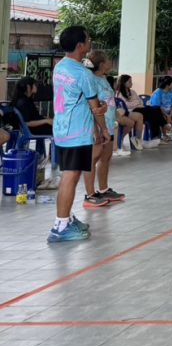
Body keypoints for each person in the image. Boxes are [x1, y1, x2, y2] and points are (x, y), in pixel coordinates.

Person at [48, 26, 106, 243]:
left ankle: (67, 218)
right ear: (81, 45)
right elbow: (96, 108)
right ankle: (61, 225)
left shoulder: (60, 66)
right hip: (77, 132)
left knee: (70, 175)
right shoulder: (83, 73)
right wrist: (104, 129)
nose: (90, 42)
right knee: (70, 177)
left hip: (62, 129)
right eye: (88, 39)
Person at [83, 52, 124, 206]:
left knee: (106, 157)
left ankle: (103, 189)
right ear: (101, 64)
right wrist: (97, 130)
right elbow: (92, 106)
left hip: (109, 124)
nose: (110, 62)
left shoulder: (104, 78)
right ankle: (90, 195)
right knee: (93, 159)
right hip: (98, 125)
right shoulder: (91, 80)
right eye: (108, 60)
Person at [119, 76, 162, 146]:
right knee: (153, 112)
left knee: (156, 109)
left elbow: (140, 101)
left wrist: (134, 103)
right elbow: (125, 105)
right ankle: (158, 133)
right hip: (131, 111)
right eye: (129, 81)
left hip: (140, 109)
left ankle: (154, 137)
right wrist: (136, 103)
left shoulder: (132, 92)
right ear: (123, 83)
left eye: (131, 81)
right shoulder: (119, 93)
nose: (131, 83)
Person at [147, 76, 172, 141]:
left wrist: (170, 115)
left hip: (167, 111)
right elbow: (157, 107)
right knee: (161, 116)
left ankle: (169, 133)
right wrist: (167, 115)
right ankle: (166, 133)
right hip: (157, 111)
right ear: (167, 85)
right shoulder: (158, 92)